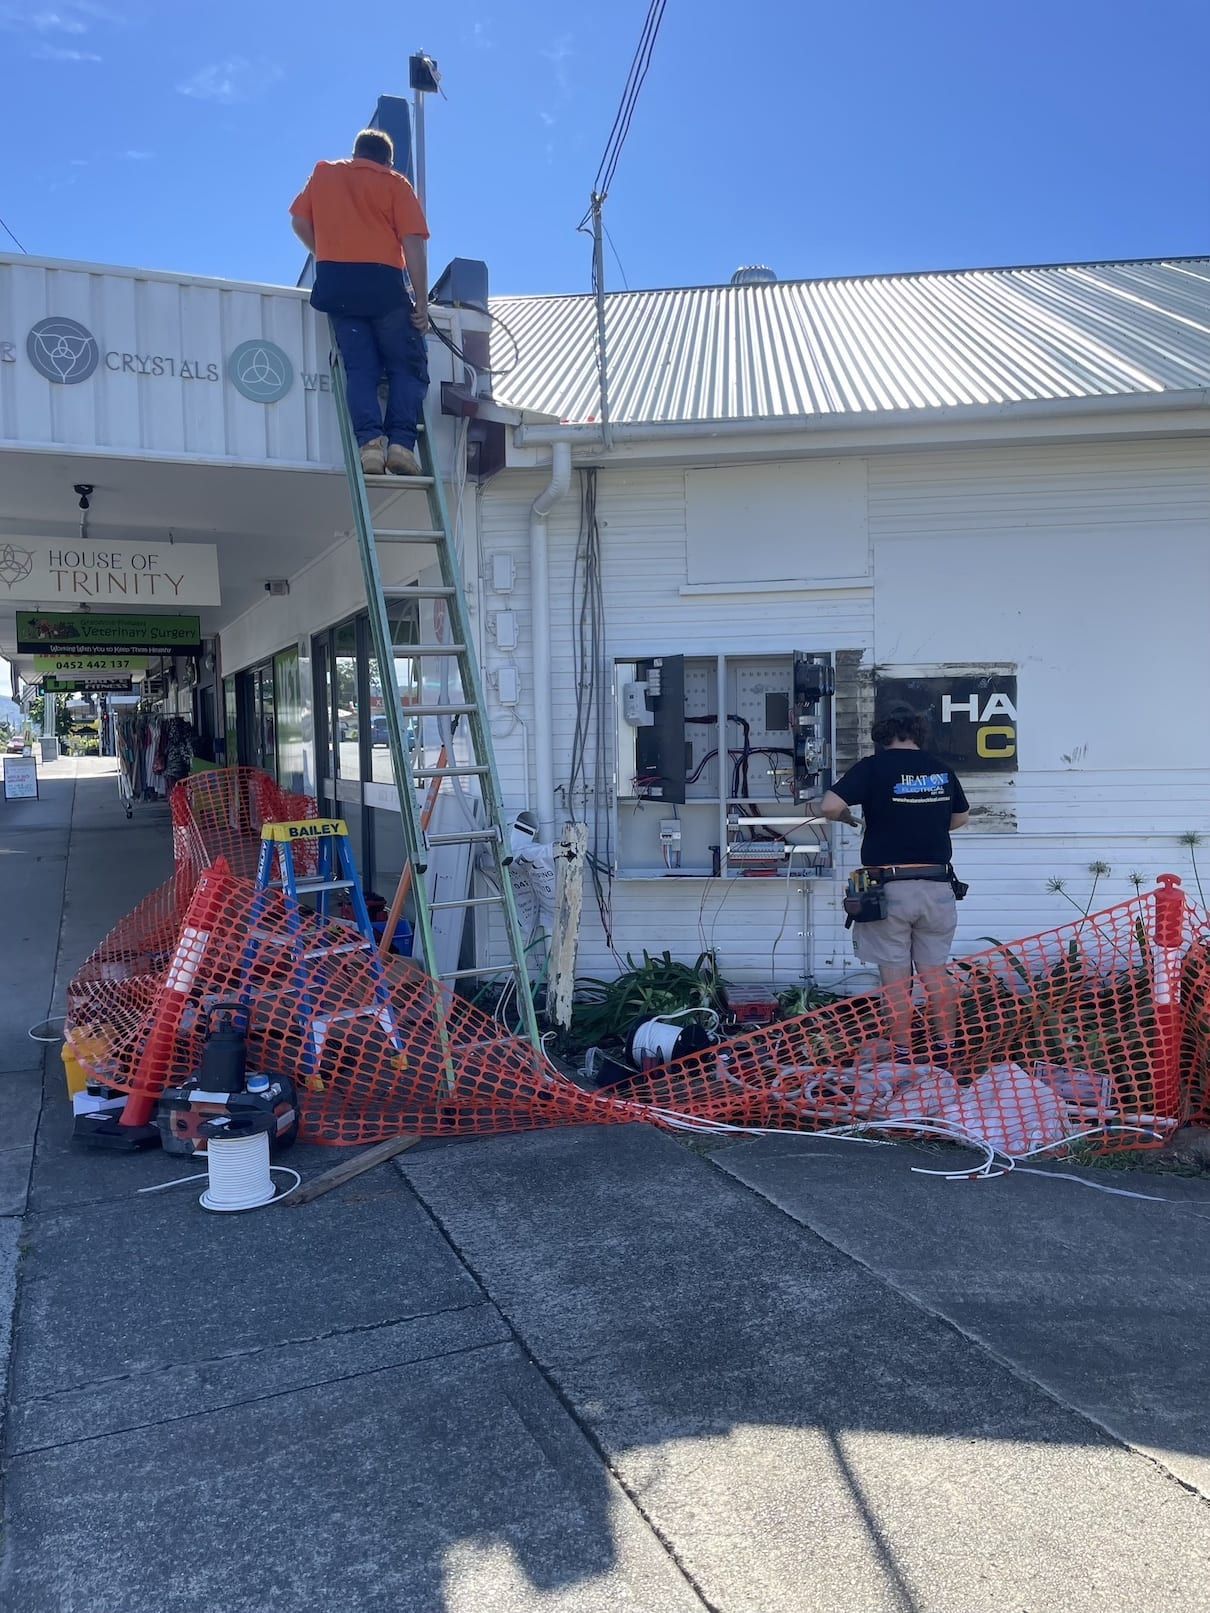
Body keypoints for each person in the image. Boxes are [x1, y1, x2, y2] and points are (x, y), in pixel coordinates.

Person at [819, 713, 970, 1056]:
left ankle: (902, 1050)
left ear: (882, 736)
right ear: (920, 735)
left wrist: (846, 817)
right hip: (937, 886)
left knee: (896, 977)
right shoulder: (940, 769)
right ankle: (947, 1048)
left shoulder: (874, 767)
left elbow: (829, 806)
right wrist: (925, 826)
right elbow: (961, 817)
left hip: (889, 888)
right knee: (935, 972)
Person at [290, 129, 430, 477]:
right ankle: (399, 445)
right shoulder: (395, 183)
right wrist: (422, 302)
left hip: (338, 287)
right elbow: (413, 242)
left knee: (361, 369)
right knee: (406, 367)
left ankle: (370, 446)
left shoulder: (324, 174)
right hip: (383, 285)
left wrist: (324, 253)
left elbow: (299, 221)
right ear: (387, 160)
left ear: (356, 154)